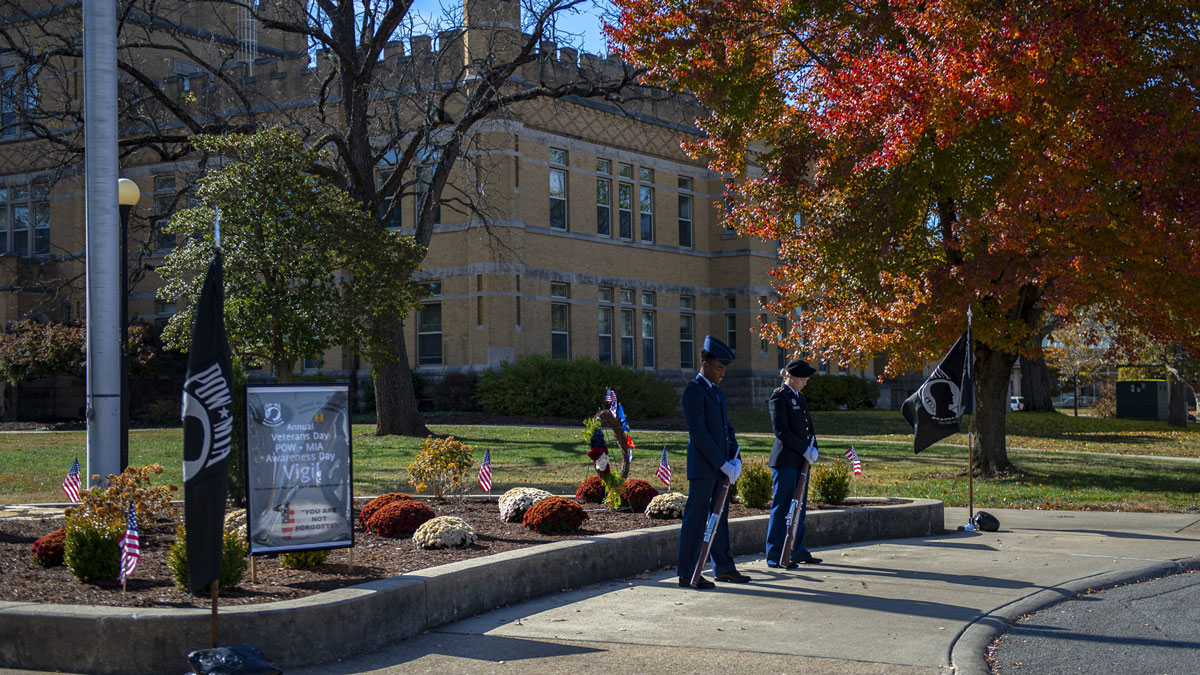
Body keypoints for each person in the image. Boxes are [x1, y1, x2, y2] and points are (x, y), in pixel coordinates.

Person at [677, 335, 752, 589]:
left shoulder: (717, 393)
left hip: (721, 468)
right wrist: (722, 463)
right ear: (706, 365)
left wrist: (735, 460)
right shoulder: (693, 391)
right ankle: (687, 572)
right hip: (703, 468)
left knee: (719, 520)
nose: (722, 374)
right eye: (719, 368)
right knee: (696, 521)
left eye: (723, 370)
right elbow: (700, 433)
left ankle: (724, 568)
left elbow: (726, 429)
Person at [764, 358, 823, 568]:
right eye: (802, 378)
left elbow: (808, 426)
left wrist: (814, 446)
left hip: (801, 461)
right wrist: (803, 449)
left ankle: (796, 550)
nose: (805, 382)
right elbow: (781, 431)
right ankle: (775, 554)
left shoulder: (800, 398)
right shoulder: (779, 397)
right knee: (782, 507)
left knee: (799, 507)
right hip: (786, 460)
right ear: (790, 376)